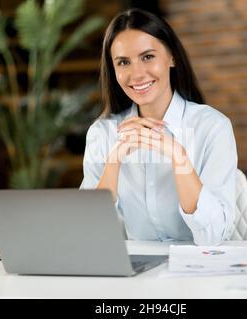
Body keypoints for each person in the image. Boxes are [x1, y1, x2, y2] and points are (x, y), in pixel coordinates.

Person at [80, 8, 238, 245]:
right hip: (136, 275)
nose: (137, 74)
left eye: (147, 57)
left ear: (171, 57)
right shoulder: (102, 133)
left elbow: (214, 235)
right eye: (123, 62)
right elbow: (87, 232)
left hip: (201, 272)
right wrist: (113, 164)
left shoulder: (213, 128)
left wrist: (179, 158)